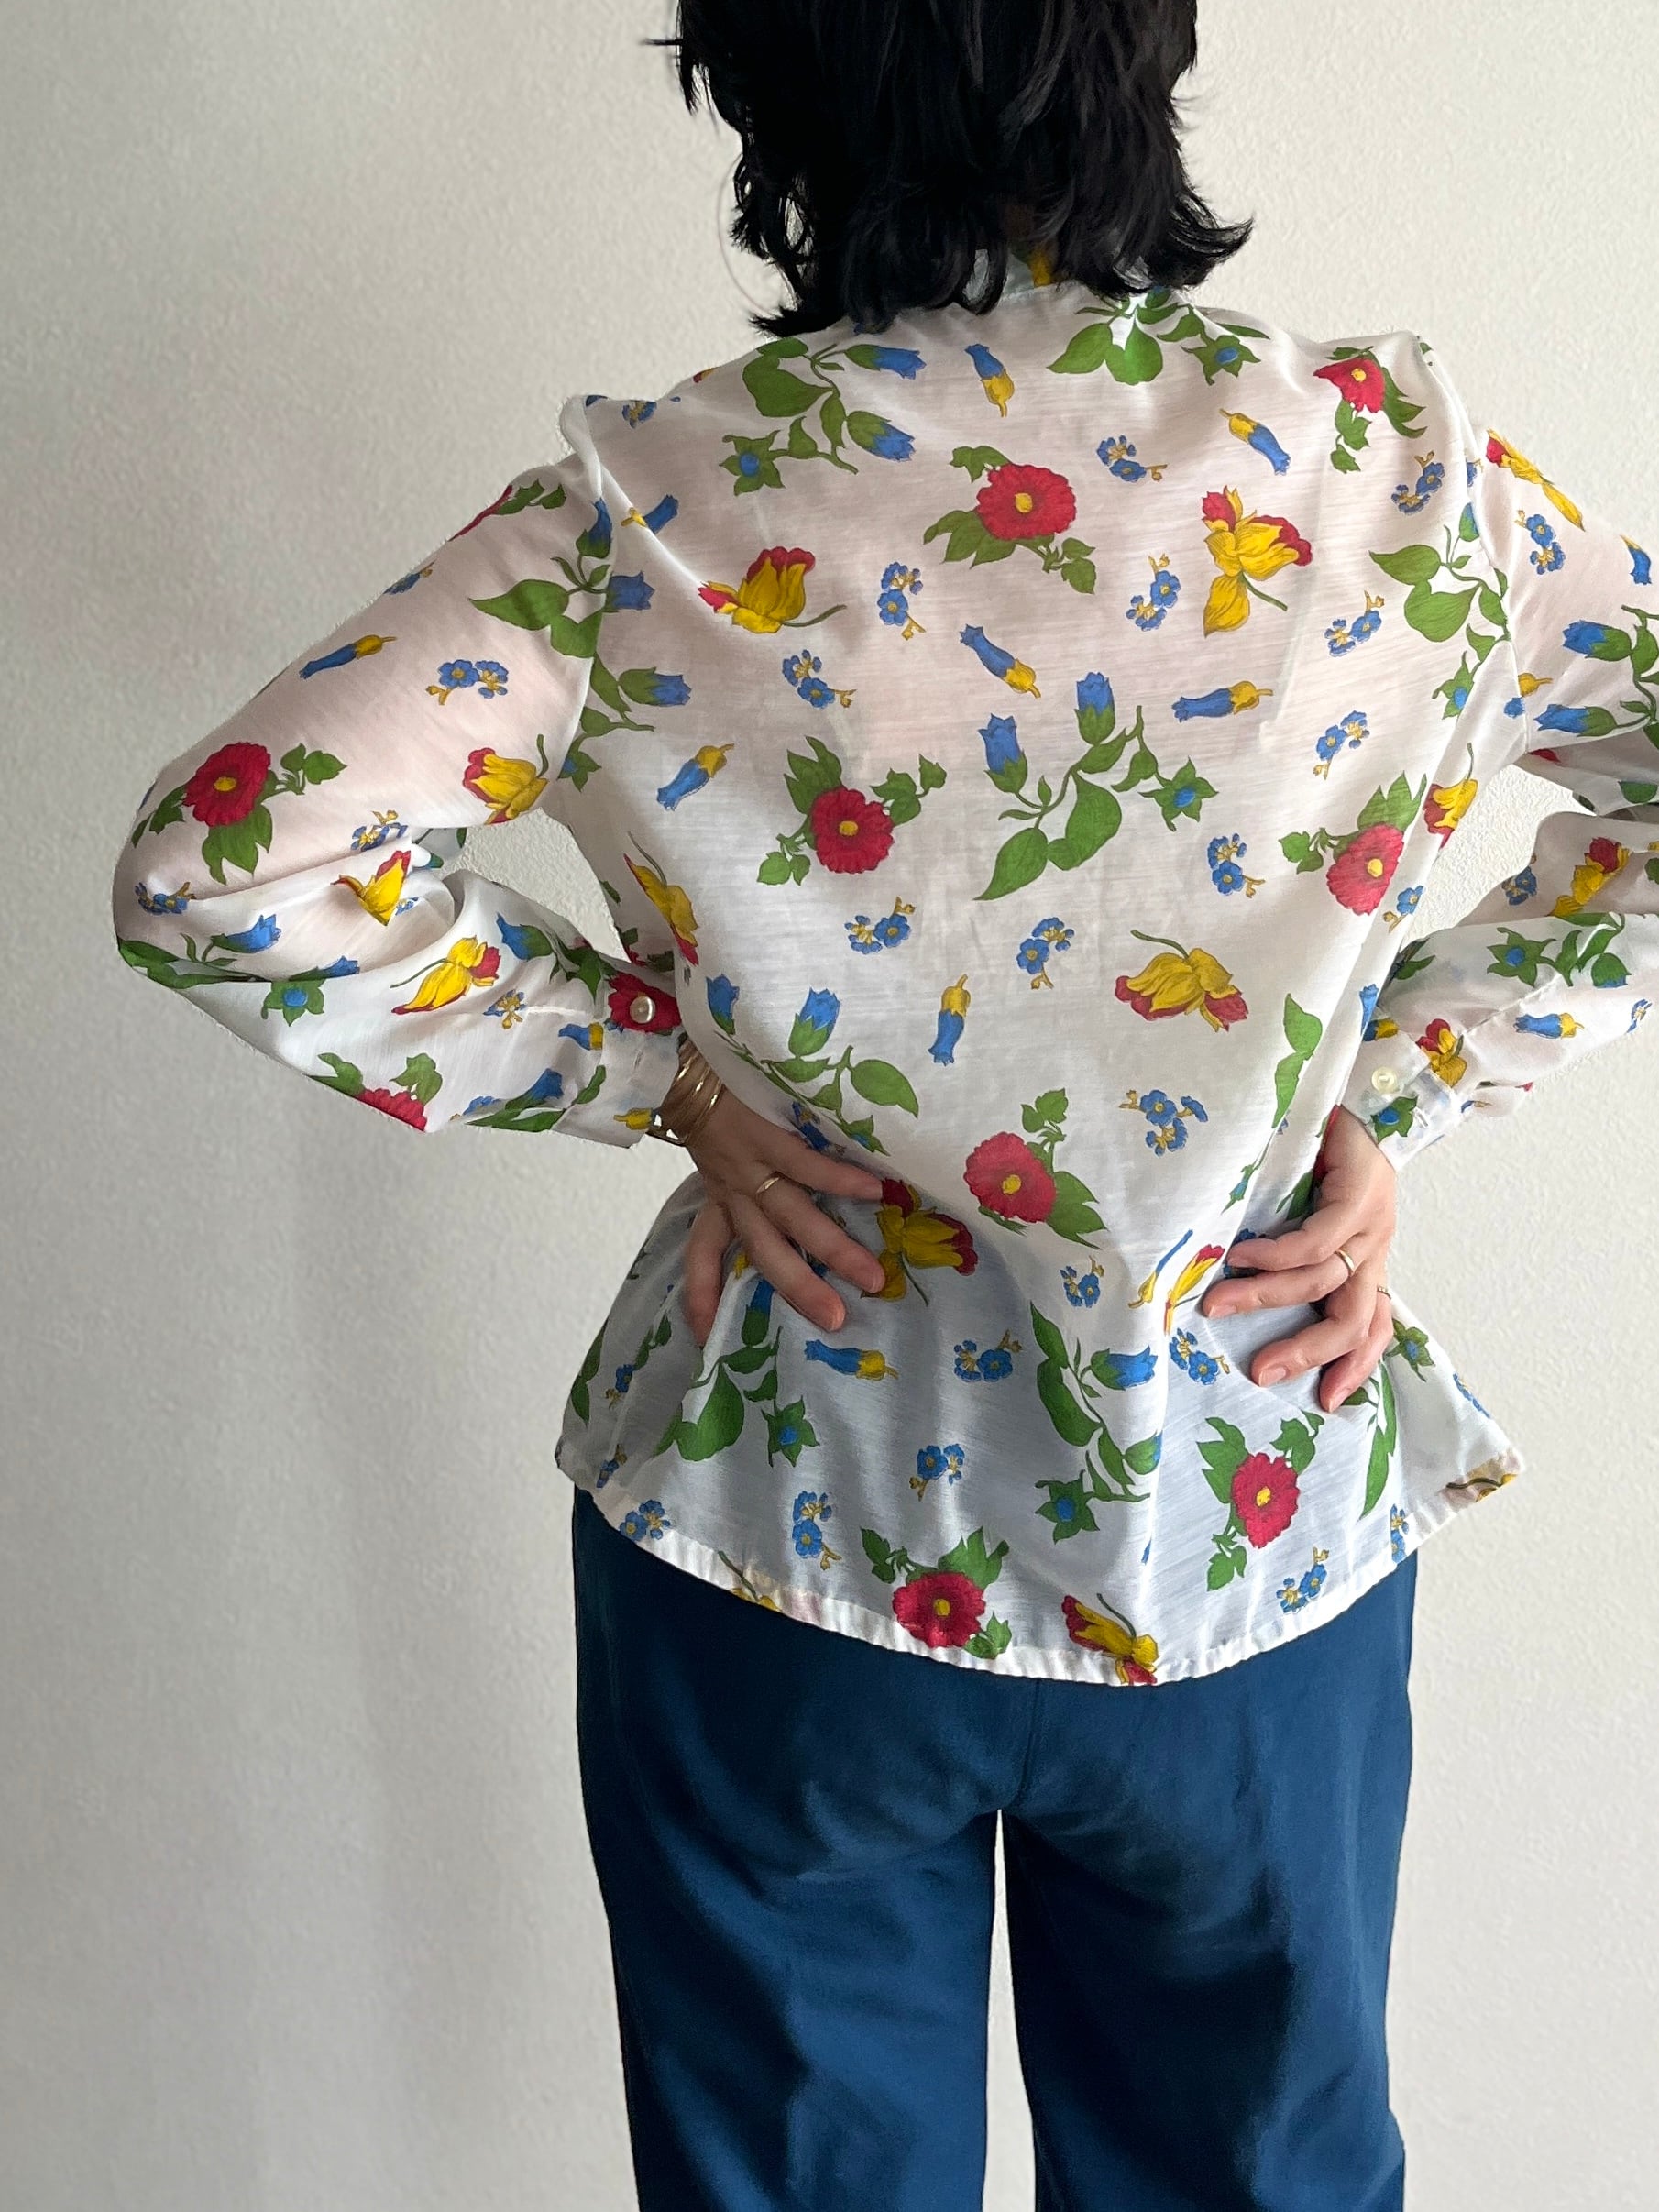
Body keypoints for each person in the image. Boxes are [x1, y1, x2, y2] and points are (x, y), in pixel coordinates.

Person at [108, 3, 1658, 2205]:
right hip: (1233, 1521)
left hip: (782, 1516)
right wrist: (1379, 1084)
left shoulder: (645, 512)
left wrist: (640, 1071)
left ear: (769, 98)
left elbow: (221, 865)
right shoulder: (1399, 479)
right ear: (1144, 57)